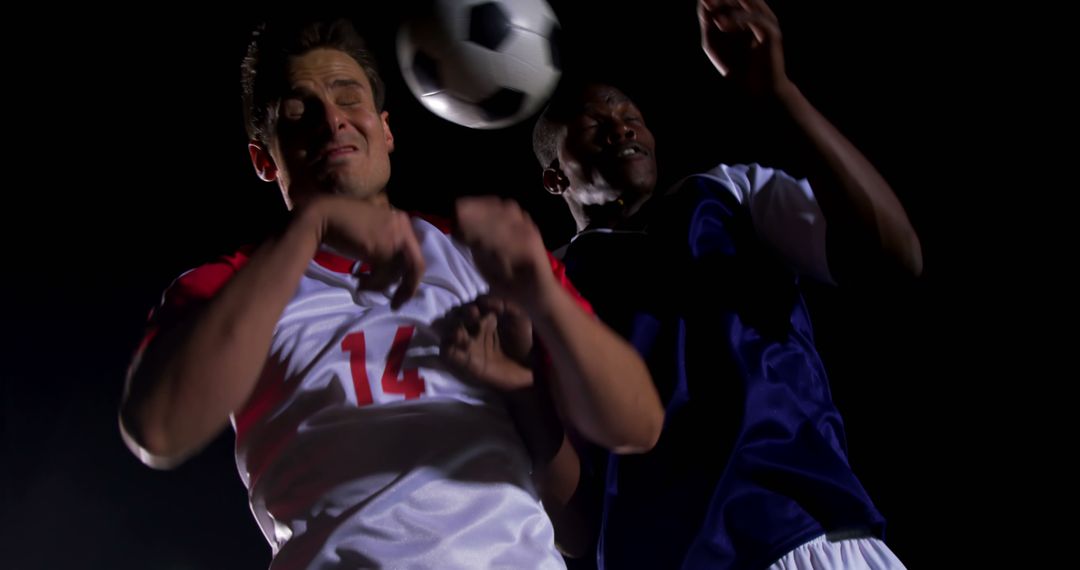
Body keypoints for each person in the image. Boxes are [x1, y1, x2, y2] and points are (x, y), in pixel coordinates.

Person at [118, 17, 662, 569]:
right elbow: (160, 429)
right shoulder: (227, 286)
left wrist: (534, 340)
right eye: (299, 109)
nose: (332, 120)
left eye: (347, 98)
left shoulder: (486, 253)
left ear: (386, 130)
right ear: (264, 160)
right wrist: (315, 226)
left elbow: (637, 425)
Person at [527, 0, 922, 567]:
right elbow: (570, 493)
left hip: (808, 530)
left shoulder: (730, 194)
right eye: (594, 123)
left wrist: (780, 93)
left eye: (631, 115)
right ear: (554, 175)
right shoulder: (541, 281)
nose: (621, 127)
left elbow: (894, 256)